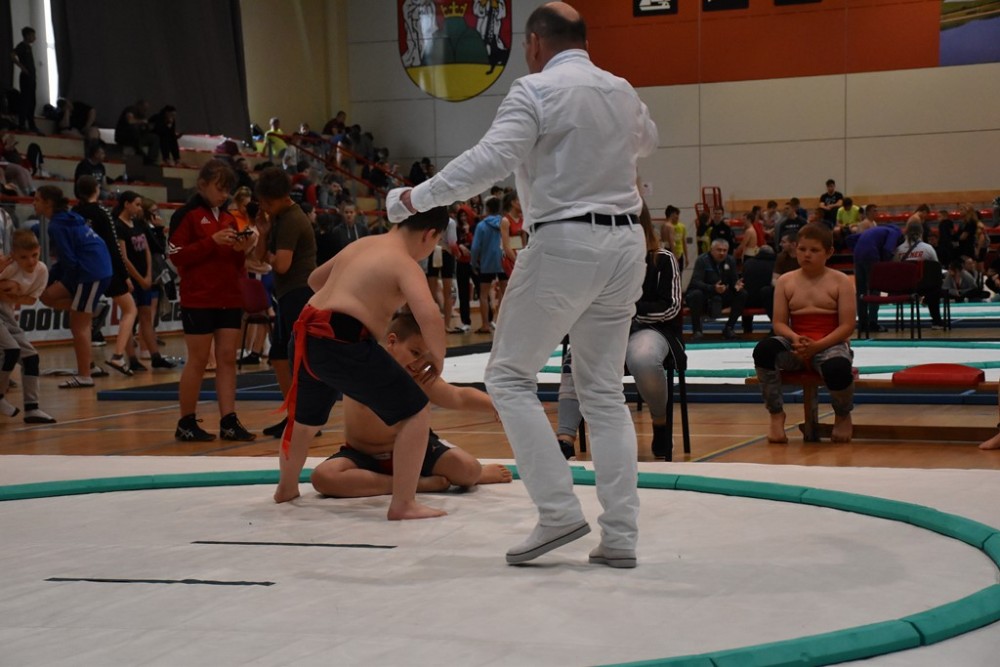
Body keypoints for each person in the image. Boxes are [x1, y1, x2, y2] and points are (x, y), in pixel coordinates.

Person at [387, 3, 657, 567]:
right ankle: (621, 536)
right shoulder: (621, 89)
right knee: (603, 392)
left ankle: (558, 512)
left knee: (508, 377)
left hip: (566, 241)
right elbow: (646, 143)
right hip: (626, 242)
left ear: (534, 43)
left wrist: (415, 198)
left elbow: (490, 160)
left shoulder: (535, 90)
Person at [272, 206, 450, 522]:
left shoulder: (362, 243)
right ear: (430, 235)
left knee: (304, 422)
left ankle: (286, 488)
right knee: (415, 412)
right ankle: (404, 503)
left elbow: (315, 279)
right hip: (342, 340)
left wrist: (348, 295)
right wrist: (437, 357)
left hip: (305, 333)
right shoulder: (404, 263)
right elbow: (429, 314)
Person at [310, 311, 513, 497]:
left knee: (469, 470)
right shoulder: (362, 369)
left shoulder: (419, 377)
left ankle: (474, 475)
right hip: (361, 456)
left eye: (425, 357)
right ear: (392, 341)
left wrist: (496, 405)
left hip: (414, 453)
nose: (419, 363)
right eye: (415, 353)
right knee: (323, 477)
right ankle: (414, 484)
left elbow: (457, 396)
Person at [556, 204, 682, 461]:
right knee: (575, 358)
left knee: (643, 358)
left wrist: (629, 311)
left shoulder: (662, 258)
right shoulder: (600, 261)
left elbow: (671, 307)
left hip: (650, 328)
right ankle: (565, 437)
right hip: (607, 329)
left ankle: (660, 421)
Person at [168, 160, 257, 442]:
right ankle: (186, 421)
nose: (224, 194)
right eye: (220, 189)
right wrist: (212, 241)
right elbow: (176, 255)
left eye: (227, 190)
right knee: (198, 360)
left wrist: (241, 248)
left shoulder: (229, 217)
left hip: (228, 295)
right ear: (202, 184)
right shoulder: (186, 215)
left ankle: (229, 420)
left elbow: (235, 263)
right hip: (199, 297)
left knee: (228, 358)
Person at [752, 223, 856, 444]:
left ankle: (842, 414)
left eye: (814, 250)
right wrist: (794, 338)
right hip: (795, 344)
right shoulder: (785, 281)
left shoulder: (842, 281)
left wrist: (818, 346)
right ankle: (776, 413)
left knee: (838, 368)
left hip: (830, 344)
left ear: (829, 252)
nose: (806, 255)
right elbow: (779, 323)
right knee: (763, 350)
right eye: (802, 249)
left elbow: (847, 326)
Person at [252, 167, 318, 439]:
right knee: (283, 356)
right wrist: (264, 233)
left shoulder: (291, 220)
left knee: (289, 356)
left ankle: (302, 417)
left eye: (266, 203)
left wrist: (268, 253)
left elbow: (281, 264)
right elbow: (260, 256)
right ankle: (297, 415)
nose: (264, 208)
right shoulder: (280, 217)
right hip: (290, 294)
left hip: (298, 294)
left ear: (278, 198)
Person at [38, 185, 113, 389]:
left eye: (37, 199)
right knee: (46, 296)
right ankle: (93, 309)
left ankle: (85, 376)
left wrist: (59, 280)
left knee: (79, 325)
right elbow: (66, 261)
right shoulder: (68, 218)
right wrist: (49, 279)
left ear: (48, 203)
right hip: (94, 269)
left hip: (90, 272)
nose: (34, 203)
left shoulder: (57, 225)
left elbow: (68, 261)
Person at [76, 184, 138, 377]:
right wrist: (124, 275)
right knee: (130, 309)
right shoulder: (102, 213)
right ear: (96, 190)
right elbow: (113, 246)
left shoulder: (74, 212)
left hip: (83, 268)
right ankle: (118, 356)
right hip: (105, 267)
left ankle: (88, 364)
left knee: (83, 319)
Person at [0, 229, 56, 423]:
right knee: (11, 350)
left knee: (31, 357)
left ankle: (32, 409)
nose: (30, 261)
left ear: (39, 250)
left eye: (34, 255)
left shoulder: (42, 271)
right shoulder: (7, 266)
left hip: (7, 315)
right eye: (24, 257)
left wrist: (11, 293)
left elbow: (31, 300)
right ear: (13, 255)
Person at [845, 221, 902, 335]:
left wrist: (856, 249)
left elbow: (849, 239)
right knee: (874, 290)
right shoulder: (895, 232)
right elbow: (887, 249)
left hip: (857, 256)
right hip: (871, 255)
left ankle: (862, 323)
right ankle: (872, 323)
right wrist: (884, 263)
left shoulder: (875, 230)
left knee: (861, 292)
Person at [685, 238, 746, 340]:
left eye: (724, 250)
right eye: (719, 250)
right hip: (704, 294)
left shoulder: (730, 260)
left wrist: (737, 285)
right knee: (696, 294)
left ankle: (729, 328)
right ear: (711, 250)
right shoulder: (702, 260)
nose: (722, 253)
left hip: (721, 293)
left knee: (742, 294)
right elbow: (695, 282)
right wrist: (713, 288)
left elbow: (734, 281)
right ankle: (697, 331)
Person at [470, 196, 505, 333]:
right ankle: (503, 324)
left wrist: (473, 263)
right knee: (505, 294)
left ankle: (485, 325)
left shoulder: (482, 226)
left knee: (483, 294)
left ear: (487, 208)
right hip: (504, 260)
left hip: (487, 262)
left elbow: (475, 247)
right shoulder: (504, 223)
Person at [11, 27, 41, 133]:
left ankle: (31, 124)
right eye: (33, 35)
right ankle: (22, 124)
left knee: (32, 101)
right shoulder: (22, 46)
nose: (34, 38)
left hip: (31, 78)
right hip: (26, 78)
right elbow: (12, 55)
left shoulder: (28, 47)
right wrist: (22, 68)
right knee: (25, 101)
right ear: (27, 35)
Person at [115, 100, 160, 165]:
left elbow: (144, 129)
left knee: (155, 138)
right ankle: (142, 155)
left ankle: (151, 159)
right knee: (133, 129)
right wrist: (141, 122)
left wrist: (148, 127)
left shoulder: (142, 115)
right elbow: (130, 121)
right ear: (139, 106)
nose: (145, 111)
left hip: (137, 138)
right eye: (144, 108)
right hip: (125, 136)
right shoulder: (131, 109)